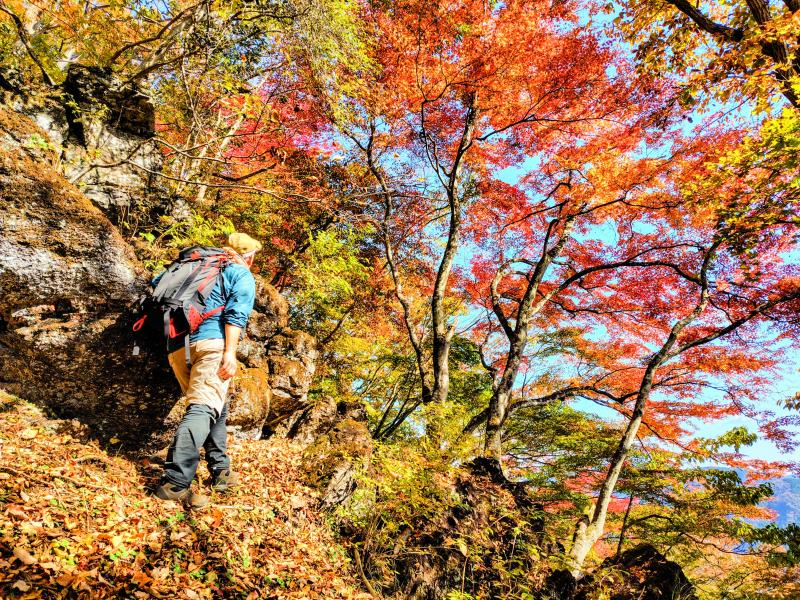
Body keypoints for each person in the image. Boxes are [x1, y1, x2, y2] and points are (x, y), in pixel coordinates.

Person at [154, 232, 261, 509]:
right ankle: (175, 483)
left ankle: (220, 470)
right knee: (202, 408)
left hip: (177, 348)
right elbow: (236, 314)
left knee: (216, 406)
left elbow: (156, 288)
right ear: (247, 256)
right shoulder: (240, 273)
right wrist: (229, 352)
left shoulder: (197, 266)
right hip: (211, 344)